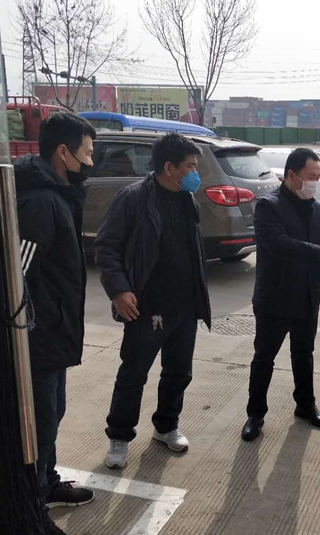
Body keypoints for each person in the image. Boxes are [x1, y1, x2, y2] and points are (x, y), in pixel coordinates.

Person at [95, 133, 211, 468]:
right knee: (133, 374)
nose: (195, 173)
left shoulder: (187, 199)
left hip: (184, 306)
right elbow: (106, 246)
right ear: (169, 168)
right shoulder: (133, 198)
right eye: (190, 166)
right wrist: (119, 290)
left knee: (179, 372)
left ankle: (166, 426)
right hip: (145, 308)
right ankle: (119, 436)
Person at [16, 111, 96, 535]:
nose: (90, 162)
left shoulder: (58, 195)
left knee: (54, 414)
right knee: (39, 426)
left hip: (54, 331)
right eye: (86, 153)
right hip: (37, 337)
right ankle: (31, 518)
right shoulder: (40, 203)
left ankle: (46, 484)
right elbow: (14, 275)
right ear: (63, 152)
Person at [241, 148, 320, 442]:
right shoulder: (268, 206)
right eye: (311, 177)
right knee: (264, 357)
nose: (315, 182)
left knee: (304, 353)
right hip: (275, 296)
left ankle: (305, 405)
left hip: (307, 293)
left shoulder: (314, 206)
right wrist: (319, 252)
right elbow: (277, 243)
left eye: (318, 177)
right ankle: (255, 414)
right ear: (291, 175)